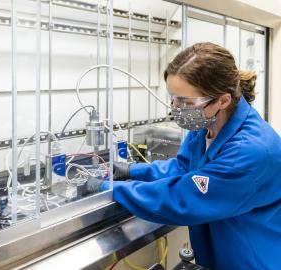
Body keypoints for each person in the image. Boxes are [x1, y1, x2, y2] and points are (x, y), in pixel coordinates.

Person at [87, 42, 281, 270]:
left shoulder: (250, 151)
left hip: (251, 258)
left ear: (223, 100)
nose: (176, 109)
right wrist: (132, 171)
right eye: (174, 99)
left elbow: (183, 198)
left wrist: (110, 190)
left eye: (186, 102)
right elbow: (185, 169)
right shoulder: (206, 124)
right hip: (217, 253)